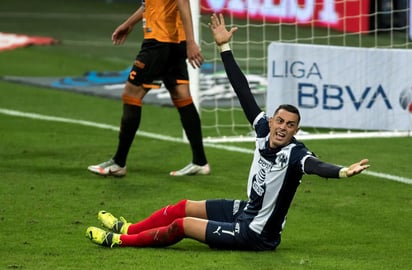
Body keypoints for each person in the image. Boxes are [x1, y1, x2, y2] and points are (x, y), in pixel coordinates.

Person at [85, 13, 370, 251]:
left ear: (296, 129)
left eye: (290, 125)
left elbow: (317, 166)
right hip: (247, 210)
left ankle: (120, 240)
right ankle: (129, 226)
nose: (283, 128)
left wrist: (343, 171)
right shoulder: (262, 129)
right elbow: (242, 90)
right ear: (272, 122)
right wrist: (224, 48)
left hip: (257, 235)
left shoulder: (295, 154)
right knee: (181, 207)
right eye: (280, 121)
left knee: (181, 225)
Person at [87, 0, 210, 177]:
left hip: (159, 42)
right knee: (181, 95)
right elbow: (148, 4)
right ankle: (200, 161)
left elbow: (183, 1)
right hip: (174, 41)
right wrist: (128, 24)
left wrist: (192, 42)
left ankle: (118, 162)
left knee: (131, 93)